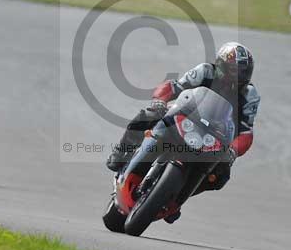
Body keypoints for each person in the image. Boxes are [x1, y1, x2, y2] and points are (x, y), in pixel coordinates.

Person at [106, 42, 260, 222]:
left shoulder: (250, 95)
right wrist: (159, 103)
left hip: (215, 138)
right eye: (236, 71)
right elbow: (173, 87)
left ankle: (176, 197)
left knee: (220, 175)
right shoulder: (205, 72)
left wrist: (232, 151)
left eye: (244, 72)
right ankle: (121, 153)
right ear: (222, 65)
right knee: (147, 116)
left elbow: (246, 132)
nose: (240, 77)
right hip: (185, 118)